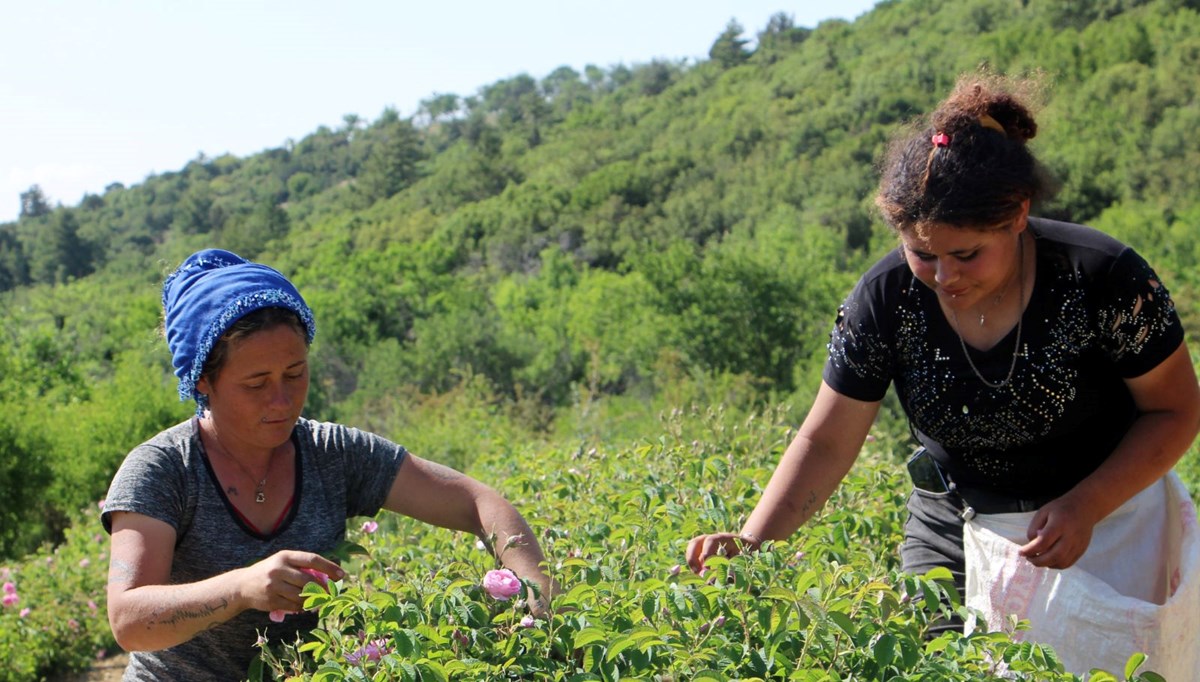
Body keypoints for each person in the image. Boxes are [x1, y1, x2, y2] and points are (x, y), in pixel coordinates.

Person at [686, 73, 1200, 629]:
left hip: (1111, 522)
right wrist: (752, 541)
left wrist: (1088, 504)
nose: (944, 275)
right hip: (957, 528)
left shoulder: (1099, 277)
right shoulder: (885, 298)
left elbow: (1176, 410)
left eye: (967, 254)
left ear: (1018, 216)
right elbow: (826, 440)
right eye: (921, 254)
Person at [102, 248, 558, 680]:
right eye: (256, 383)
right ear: (203, 380)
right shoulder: (162, 470)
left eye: (295, 373)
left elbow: (479, 503)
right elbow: (129, 619)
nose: (282, 399)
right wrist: (241, 589)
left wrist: (545, 608)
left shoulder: (332, 453)